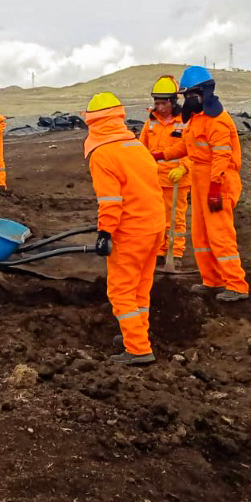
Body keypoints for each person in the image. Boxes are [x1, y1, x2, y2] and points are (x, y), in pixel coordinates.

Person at [154, 65, 249, 302]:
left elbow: (222, 156)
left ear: (204, 92)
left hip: (218, 181)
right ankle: (213, 281)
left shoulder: (217, 121)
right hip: (199, 180)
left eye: (191, 95)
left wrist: (216, 186)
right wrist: (160, 155)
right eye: (186, 96)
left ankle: (237, 285)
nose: (188, 100)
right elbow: (186, 147)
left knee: (220, 235)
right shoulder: (196, 120)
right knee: (201, 235)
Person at [85, 92, 164, 365]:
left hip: (131, 232)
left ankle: (139, 350)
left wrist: (105, 233)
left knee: (120, 291)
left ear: (92, 122)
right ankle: (136, 334)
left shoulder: (103, 154)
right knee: (141, 288)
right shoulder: (136, 145)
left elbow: (110, 201)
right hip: (155, 226)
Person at [139, 75, 190, 266]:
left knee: (175, 218)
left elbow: (193, 149)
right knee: (156, 218)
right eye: (156, 103)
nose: (159, 108)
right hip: (154, 179)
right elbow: (141, 149)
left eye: (163, 103)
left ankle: (175, 253)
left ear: (173, 102)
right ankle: (160, 250)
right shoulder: (150, 122)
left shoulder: (185, 121)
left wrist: (183, 168)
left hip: (176, 179)